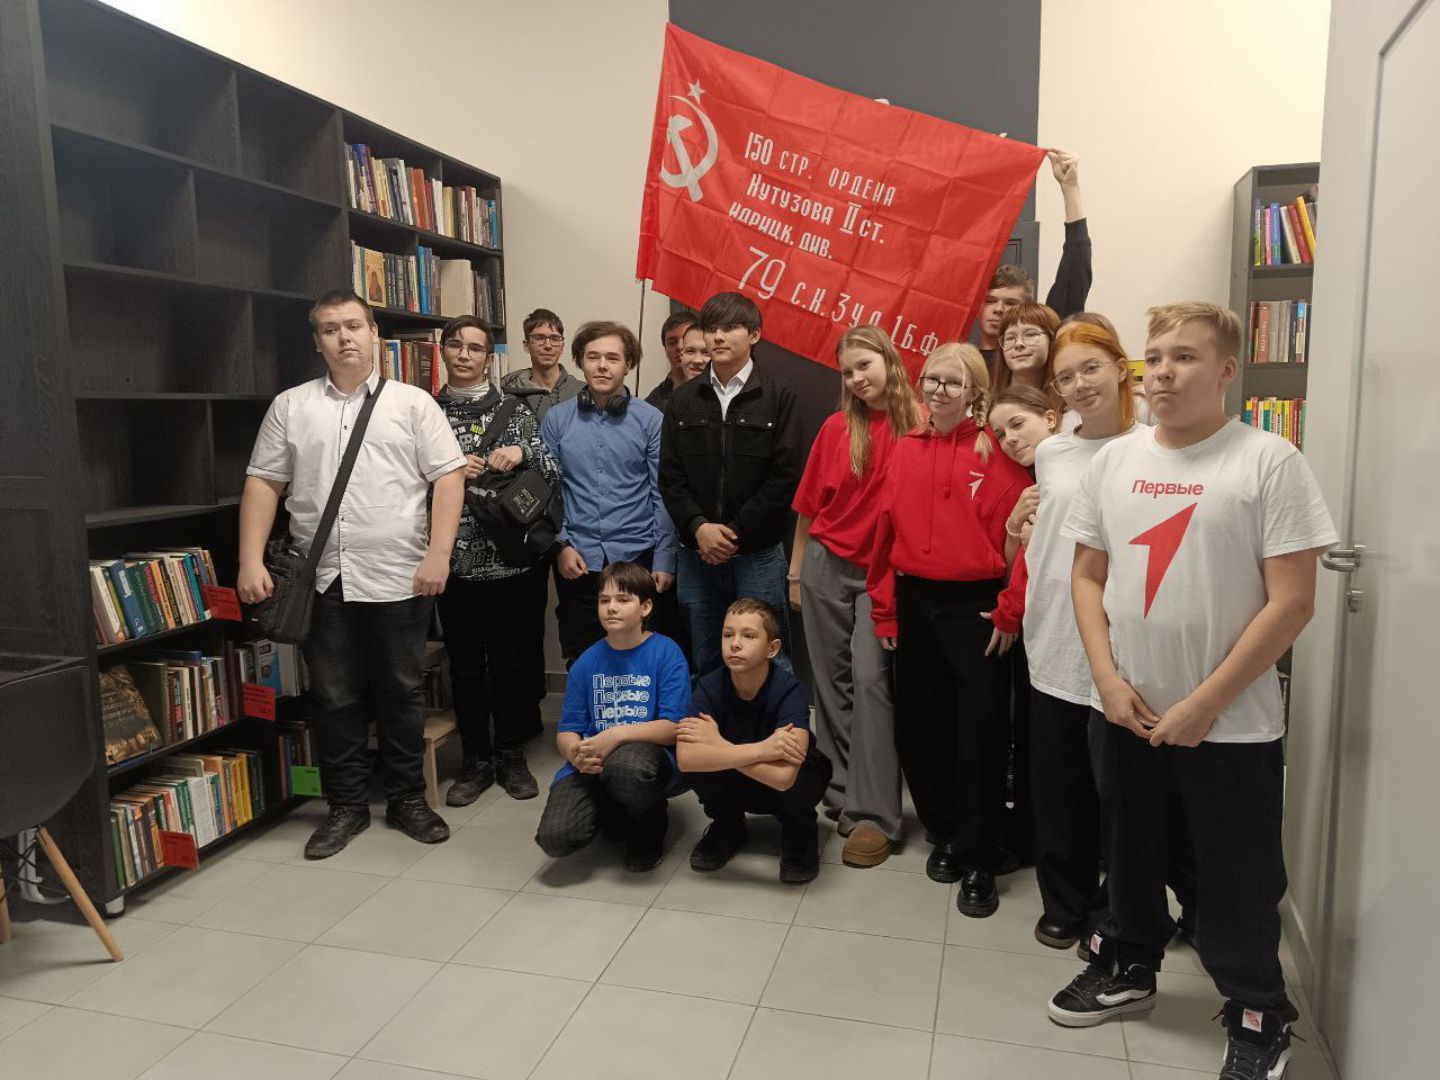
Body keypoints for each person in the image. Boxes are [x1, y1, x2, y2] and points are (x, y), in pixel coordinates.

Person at [1046, 303, 1336, 1080]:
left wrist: (1204, 703)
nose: (1165, 372)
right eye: (1156, 356)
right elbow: (1087, 577)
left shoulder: (1268, 461)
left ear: (1227, 370)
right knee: (1129, 854)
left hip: (1229, 726)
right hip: (1125, 712)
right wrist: (1106, 679)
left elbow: (1293, 602)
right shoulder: (1114, 461)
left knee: (1236, 877)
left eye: (1185, 356)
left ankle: (1257, 1013)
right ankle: (1129, 965)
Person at [239, 289, 465, 859]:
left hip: (400, 575)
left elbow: (448, 477)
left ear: (374, 334)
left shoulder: (413, 404)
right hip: (322, 579)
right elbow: (264, 482)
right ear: (318, 341)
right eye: (330, 329)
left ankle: (408, 799)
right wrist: (248, 559)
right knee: (334, 696)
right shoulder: (291, 406)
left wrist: (439, 554)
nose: (344, 338)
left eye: (354, 326)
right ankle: (345, 807)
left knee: (401, 690)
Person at [867, 343, 1030, 918]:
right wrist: (885, 609)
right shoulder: (906, 448)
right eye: (932, 380)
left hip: (976, 607)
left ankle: (980, 855)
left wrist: (1009, 609)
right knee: (917, 725)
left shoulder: (998, 454)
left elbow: (1025, 540)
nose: (939, 391)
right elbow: (884, 534)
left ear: (975, 392)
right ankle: (946, 832)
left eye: (952, 382)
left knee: (979, 734)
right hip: (915, 600)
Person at [788, 325, 920, 868]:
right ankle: (841, 787)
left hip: (885, 574)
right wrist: (796, 573)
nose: (857, 378)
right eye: (847, 371)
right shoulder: (837, 427)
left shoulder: (921, 426)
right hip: (825, 564)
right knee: (830, 683)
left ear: (889, 359)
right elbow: (809, 507)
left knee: (870, 681)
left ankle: (874, 816)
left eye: (864, 365)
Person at [433, 315, 559, 805]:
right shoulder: (424, 411)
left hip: (511, 559)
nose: (464, 355)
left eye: (474, 348)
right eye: (455, 345)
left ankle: (510, 754)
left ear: (489, 358)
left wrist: (520, 451)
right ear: (443, 351)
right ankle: (475, 760)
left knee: (509, 663)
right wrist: (446, 471)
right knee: (465, 667)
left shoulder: (514, 409)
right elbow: (399, 478)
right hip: (451, 562)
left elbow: (552, 470)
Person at [659, 291, 803, 677]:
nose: (718, 337)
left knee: (769, 655)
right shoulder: (683, 399)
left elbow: (785, 476)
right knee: (707, 655)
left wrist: (733, 534)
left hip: (757, 553)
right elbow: (670, 476)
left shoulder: (779, 395)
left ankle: (775, 719)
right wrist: (699, 528)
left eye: (730, 327)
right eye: (711, 328)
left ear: (754, 335)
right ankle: (713, 719)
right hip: (697, 553)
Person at [533, 561, 690, 872]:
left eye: (623, 599)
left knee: (626, 767)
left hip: (645, 760)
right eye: (604, 600)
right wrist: (575, 753)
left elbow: (674, 727)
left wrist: (615, 735)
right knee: (556, 838)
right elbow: (567, 730)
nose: (611, 608)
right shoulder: (586, 662)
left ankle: (648, 826)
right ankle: (614, 807)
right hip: (595, 763)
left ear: (645, 607)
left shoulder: (666, 652)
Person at [542, 321, 676, 666]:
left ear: (628, 364)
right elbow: (549, 490)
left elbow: (662, 493)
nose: (602, 366)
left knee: (638, 658)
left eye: (613, 358)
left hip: (637, 555)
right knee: (581, 655)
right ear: (580, 362)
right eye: (593, 357)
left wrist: (664, 559)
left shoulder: (651, 420)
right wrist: (561, 544)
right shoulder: (556, 420)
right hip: (577, 559)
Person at [677, 599, 833, 883]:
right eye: (728, 634)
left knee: (804, 768)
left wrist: (719, 746)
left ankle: (799, 833)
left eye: (748, 636)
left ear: (772, 648)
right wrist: (761, 749)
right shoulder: (709, 687)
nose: (735, 644)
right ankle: (728, 826)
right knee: (699, 764)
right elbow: (686, 760)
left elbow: (784, 778)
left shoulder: (789, 690)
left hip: (779, 783)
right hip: (746, 776)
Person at [975, 149, 1092, 366]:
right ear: (978, 308)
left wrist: (1070, 188)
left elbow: (1076, 273)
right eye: (990, 301)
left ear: (1027, 310)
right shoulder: (961, 362)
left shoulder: (1043, 355)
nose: (998, 309)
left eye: (1010, 303)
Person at [500, 308, 582, 424]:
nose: (548, 346)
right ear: (526, 345)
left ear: (562, 347)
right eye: (539, 338)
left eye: (555, 339)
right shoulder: (509, 395)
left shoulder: (581, 392)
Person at [644, 308, 700, 410]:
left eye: (686, 339)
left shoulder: (720, 390)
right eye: (672, 342)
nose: (680, 347)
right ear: (665, 349)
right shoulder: (654, 402)